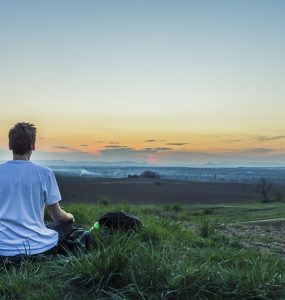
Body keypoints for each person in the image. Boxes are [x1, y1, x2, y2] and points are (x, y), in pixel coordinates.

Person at [0, 122, 75, 258]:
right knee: (66, 224)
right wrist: (70, 216)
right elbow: (57, 216)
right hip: (37, 246)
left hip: (3, 247)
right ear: (33, 146)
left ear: (10, 145)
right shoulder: (44, 173)